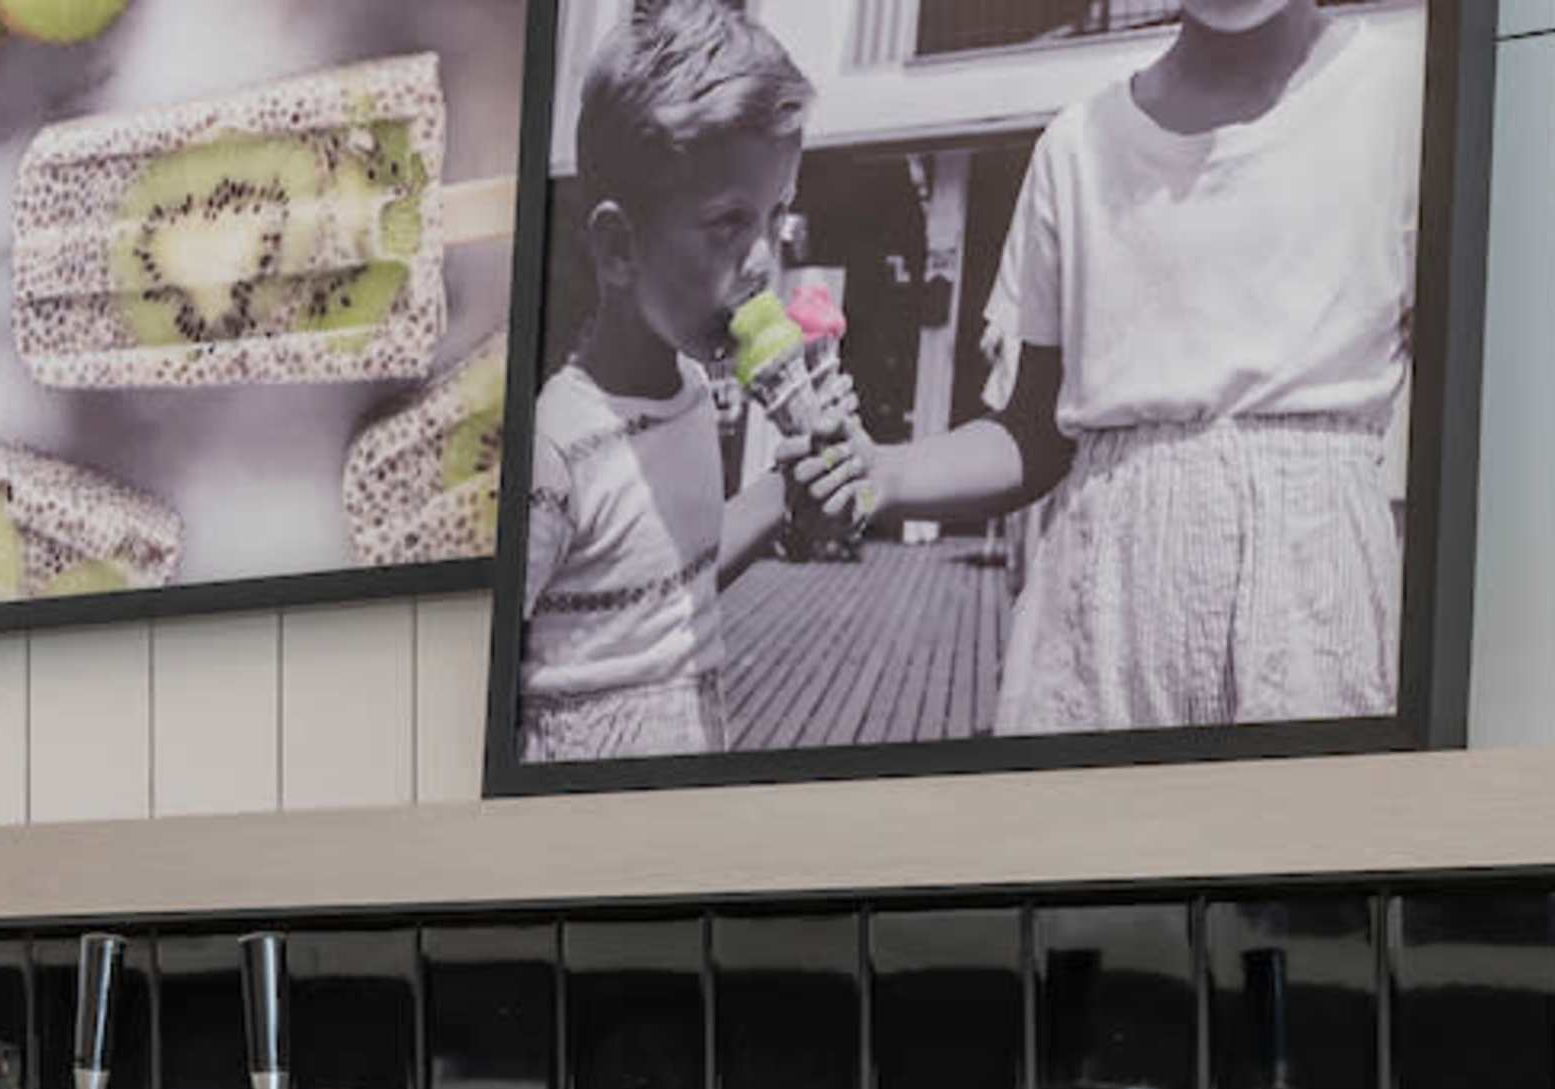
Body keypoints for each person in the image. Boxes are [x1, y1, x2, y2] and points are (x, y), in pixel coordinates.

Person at [792, 0, 1421, 733]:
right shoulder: (1077, 146)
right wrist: (887, 473)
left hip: (1312, 615)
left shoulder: (1406, 100)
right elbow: (1033, 431)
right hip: (1103, 623)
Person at [517, 0, 819, 763]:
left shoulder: (691, 392)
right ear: (619, 249)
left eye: (775, 217)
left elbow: (675, 579)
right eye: (728, 223)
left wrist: (790, 494)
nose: (762, 261)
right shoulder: (556, 450)